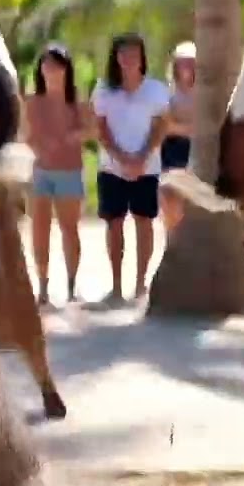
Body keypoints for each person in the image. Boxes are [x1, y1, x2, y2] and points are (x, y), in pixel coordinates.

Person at [92, 33, 170, 302]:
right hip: (111, 168)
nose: (128, 59)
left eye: (134, 54)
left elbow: (161, 126)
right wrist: (123, 158)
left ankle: (140, 283)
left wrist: (141, 158)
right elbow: (100, 129)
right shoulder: (103, 88)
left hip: (147, 168)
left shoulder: (156, 89)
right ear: (115, 58)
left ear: (142, 58)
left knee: (144, 222)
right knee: (114, 225)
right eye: (123, 54)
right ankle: (115, 286)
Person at [24, 43, 87, 304]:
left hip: (69, 171)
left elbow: (92, 129)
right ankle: (42, 287)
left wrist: (72, 137)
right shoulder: (31, 102)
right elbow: (23, 135)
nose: (52, 70)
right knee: (39, 229)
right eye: (47, 64)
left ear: (66, 69)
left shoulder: (76, 102)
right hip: (39, 172)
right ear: (40, 70)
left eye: (58, 65)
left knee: (69, 229)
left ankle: (72, 286)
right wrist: (39, 145)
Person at [159, 41, 196, 233]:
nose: (187, 67)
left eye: (191, 62)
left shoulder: (206, 93)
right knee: (170, 200)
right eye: (183, 62)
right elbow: (164, 126)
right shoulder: (167, 93)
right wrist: (189, 128)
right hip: (174, 150)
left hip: (199, 150)